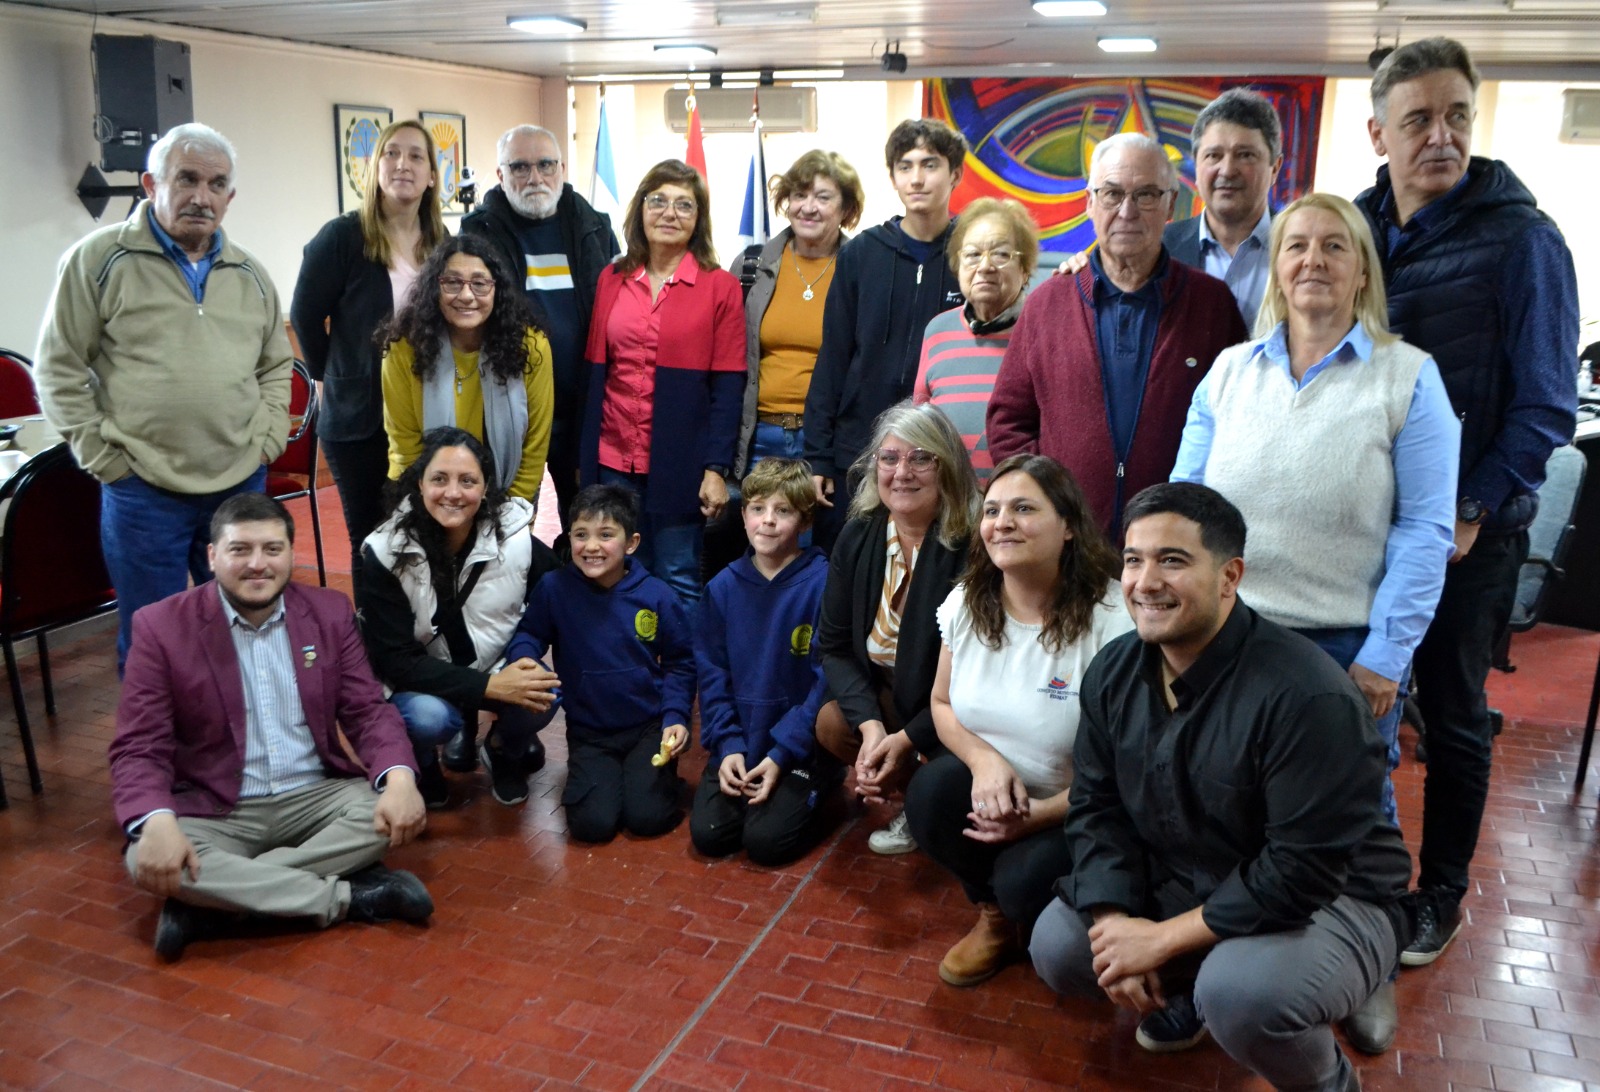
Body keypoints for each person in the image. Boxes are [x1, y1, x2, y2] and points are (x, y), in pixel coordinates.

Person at [1030, 483, 1413, 1091]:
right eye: (1133, 559)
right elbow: (1096, 806)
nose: (1145, 581)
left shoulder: (1307, 696)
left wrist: (1157, 940)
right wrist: (1113, 924)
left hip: (1338, 896)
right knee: (1062, 945)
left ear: (1230, 575)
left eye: (1172, 561)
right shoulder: (1116, 668)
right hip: (1196, 869)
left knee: (1244, 994)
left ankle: (1323, 1081)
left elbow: (1301, 871)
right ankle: (1187, 995)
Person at [1354, 37, 1579, 967]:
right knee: (1360, 701)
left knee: (1449, 715)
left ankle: (1438, 893)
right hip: (1363, 524)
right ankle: (1349, 877)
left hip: (1469, 537)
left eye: (1456, 117)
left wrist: (1472, 509)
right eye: (1417, 120)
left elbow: (1545, 407)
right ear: (1379, 132)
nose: (1439, 137)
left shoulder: (1524, 238)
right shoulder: (1359, 227)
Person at [110, 493, 432, 962]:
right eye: (240, 549)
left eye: (272, 549)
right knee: (145, 856)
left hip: (314, 798)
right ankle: (348, 898)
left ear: (290, 554)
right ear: (212, 556)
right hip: (218, 807)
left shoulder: (328, 612)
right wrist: (157, 821)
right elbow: (139, 747)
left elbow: (366, 709)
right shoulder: (161, 627)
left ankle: (216, 903)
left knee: (387, 811)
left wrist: (401, 777)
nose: (257, 564)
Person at [36, 123, 292, 672]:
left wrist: (267, 438)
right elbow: (58, 369)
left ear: (230, 197)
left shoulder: (249, 273)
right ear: (153, 184)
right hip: (143, 491)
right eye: (187, 179)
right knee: (153, 640)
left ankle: (245, 753)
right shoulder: (97, 260)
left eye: (216, 183)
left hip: (238, 481)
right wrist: (103, 458)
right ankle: (157, 758)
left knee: (252, 628)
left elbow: (276, 366)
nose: (201, 196)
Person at [904, 454, 1133, 987]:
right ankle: (993, 919)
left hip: (1082, 804)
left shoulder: (1113, 621)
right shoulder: (966, 602)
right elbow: (941, 705)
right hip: (995, 792)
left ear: (1069, 526)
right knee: (931, 792)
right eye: (992, 510)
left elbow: (1128, 768)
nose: (1001, 522)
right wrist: (984, 763)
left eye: (1023, 508)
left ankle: (1019, 903)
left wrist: (1039, 816)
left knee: (1023, 878)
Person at [985, 133, 1247, 537]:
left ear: (1169, 205)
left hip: (1175, 543)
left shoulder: (1212, 304)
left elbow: (1238, 423)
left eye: (1145, 195)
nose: (1127, 211)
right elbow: (1009, 419)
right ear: (1090, 203)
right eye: (1111, 194)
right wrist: (1045, 501)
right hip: (1067, 547)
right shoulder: (1046, 304)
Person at [358, 428, 562, 810]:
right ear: (419, 483)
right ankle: (420, 765)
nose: (453, 493)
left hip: (494, 661)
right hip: (424, 679)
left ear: (485, 489)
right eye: (439, 479)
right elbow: (395, 662)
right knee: (428, 718)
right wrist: (489, 687)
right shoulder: (384, 554)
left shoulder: (515, 538)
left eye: (468, 481)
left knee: (542, 691)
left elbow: (562, 597)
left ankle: (503, 749)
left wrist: (526, 653)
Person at [815, 401, 980, 855]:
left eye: (920, 457)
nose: (901, 472)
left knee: (945, 773)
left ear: (947, 466)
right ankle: (913, 797)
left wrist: (908, 740)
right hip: (891, 690)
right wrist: (871, 731)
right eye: (889, 458)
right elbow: (833, 647)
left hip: (957, 702)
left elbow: (978, 678)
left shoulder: (974, 545)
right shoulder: (859, 533)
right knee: (834, 723)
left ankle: (934, 801)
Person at [291, 118, 449, 589]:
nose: (403, 164)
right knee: (375, 538)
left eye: (416, 155)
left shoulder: (443, 243)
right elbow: (304, 316)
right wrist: (335, 376)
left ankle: (424, 643)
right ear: (375, 167)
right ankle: (378, 650)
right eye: (391, 153)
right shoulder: (343, 238)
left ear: (432, 174)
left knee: (428, 533)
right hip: (360, 421)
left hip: (429, 413)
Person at [580, 159, 745, 606]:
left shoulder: (720, 286)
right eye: (658, 201)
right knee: (616, 569)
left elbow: (729, 385)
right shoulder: (612, 279)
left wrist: (716, 470)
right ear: (640, 210)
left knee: (677, 575)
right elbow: (596, 373)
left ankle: (681, 674)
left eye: (684, 205)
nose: (669, 213)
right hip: (613, 455)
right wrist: (586, 460)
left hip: (680, 460)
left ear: (698, 220)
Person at [804, 119, 969, 548]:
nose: (916, 178)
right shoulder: (861, 253)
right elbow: (833, 357)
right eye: (905, 165)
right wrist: (819, 455)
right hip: (858, 451)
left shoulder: (971, 254)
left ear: (955, 174)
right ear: (892, 176)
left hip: (941, 454)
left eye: (930, 165)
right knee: (853, 567)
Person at [503, 484, 695, 842]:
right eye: (581, 535)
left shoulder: (657, 595)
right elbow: (529, 634)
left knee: (648, 819)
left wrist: (675, 716)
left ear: (632, 543)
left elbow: (680, 662)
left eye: (606, 535)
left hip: (647, 728)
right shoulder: (554, 589)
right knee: (593, 826)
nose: (591, 546)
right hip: (589, 731)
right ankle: (604, 779)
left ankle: (654, 781)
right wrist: (524, 659)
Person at [462, 125, 619, 529]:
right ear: (500, 175)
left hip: (583, 409)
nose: (535, 177)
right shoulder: (478, 232)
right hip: (511, 408)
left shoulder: (595, 228)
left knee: (588, 525)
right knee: (508, 527)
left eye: (545, 165)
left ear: (562, 168)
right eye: (520, 167)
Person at [690, 459, 833, 866]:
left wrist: (783, 754)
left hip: (797, 748)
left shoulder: (823, 584)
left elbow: (825, 684)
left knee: (766, 842)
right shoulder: (721, 589)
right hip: (742, 741)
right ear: (743, 515)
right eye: (757, 509)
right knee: (711, 835)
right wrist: (728, 745)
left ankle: (824, 783)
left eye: (783, 511)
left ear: (804, 522)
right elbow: (712, 677)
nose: (767, 522)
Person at [380, 234, 554, 503]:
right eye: (452, 282)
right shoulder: (403, 348)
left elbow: (535, 444)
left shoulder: (530, 346)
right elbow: (404, 446)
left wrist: (512, 509)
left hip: (509, 495)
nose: (466, 295)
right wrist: (431, 506)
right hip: (429, 495)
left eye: (479, 284)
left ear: (497, 289)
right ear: (434, 288)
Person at [733, 150, 865, 476]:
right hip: (757, 439)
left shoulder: (864, 271)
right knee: (764, 528)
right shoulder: (751, 266)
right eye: (799, 195)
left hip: (827, 443)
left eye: (822, 197)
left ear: (846, 208)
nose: (808, 207)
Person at [913, 197, 1039, 483]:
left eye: (1000, 254)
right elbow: (920, 428)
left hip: (1016, 504)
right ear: (958, 265)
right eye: (972, 254)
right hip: (946, 503)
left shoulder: (1041, 330)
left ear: (1025, 267)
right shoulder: (937, 331)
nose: (985, 266)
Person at [1163, 88, 1284, 326]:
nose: (1227, 170)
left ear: (1275, 168)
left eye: (1245, 155)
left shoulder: (1303, 249)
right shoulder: (1158, 248)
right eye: (1214, 156)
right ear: (1196, 166)